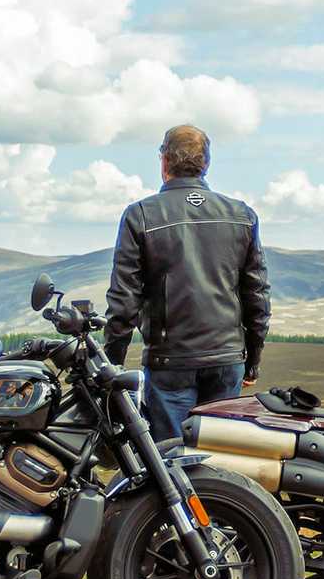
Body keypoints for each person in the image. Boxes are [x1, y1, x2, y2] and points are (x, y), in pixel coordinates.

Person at [102, 124, 270, 440]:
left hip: (170, 361)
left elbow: (124, 302)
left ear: (164, 161)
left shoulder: (140, 215)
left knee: (170, 460)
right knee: (220, 457)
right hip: (226, 358)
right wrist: (253, 359)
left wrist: (111, 364)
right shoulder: (241, 214)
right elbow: (256, 295)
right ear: (206, 163)